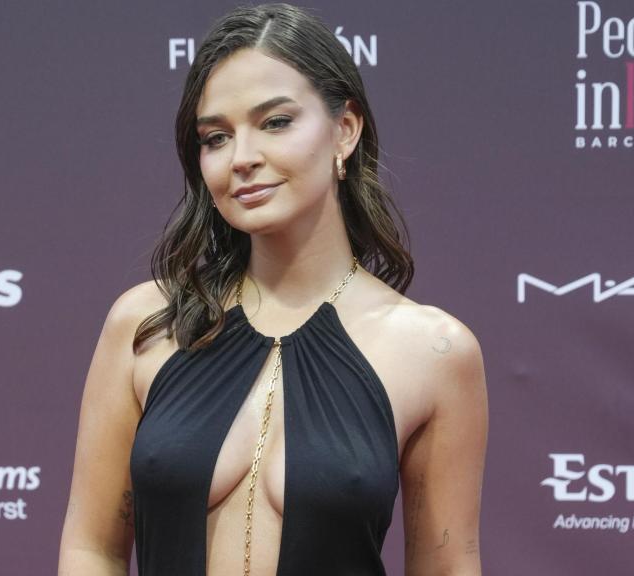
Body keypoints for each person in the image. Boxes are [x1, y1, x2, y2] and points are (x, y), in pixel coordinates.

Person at [58, 4, 487, 575]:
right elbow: (94, 548)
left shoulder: (434, 351)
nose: (243, 159)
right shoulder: (146, 324)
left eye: (276, 122)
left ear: (345, 130)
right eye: (216, 137)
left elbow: (446, 567)